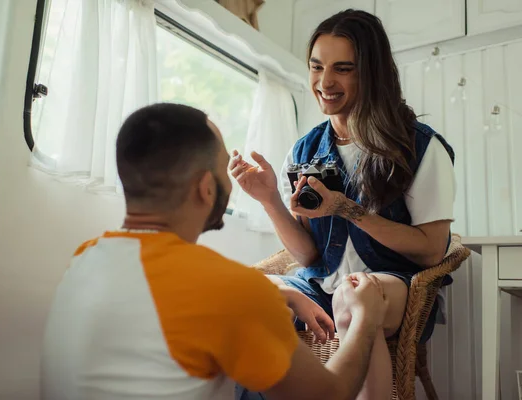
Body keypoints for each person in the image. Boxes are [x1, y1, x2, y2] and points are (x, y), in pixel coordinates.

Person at [40, 102, 390, 400]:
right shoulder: (227, 289)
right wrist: (365, 318)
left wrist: (279, 291)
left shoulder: (86, 258)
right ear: (206, 188)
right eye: (223, 168)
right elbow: (328, 394)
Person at [229, 9, 456, 400]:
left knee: (354, 297)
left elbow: (431, 249)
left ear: (371, 74)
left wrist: (345, 209)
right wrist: (268, 198)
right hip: (319, 285)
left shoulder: (419, 146)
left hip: (393, 285)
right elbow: (307, 255)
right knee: (251, 301)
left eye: (343, 69)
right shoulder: (304, 150)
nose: (325, 82)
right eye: (317, 67)